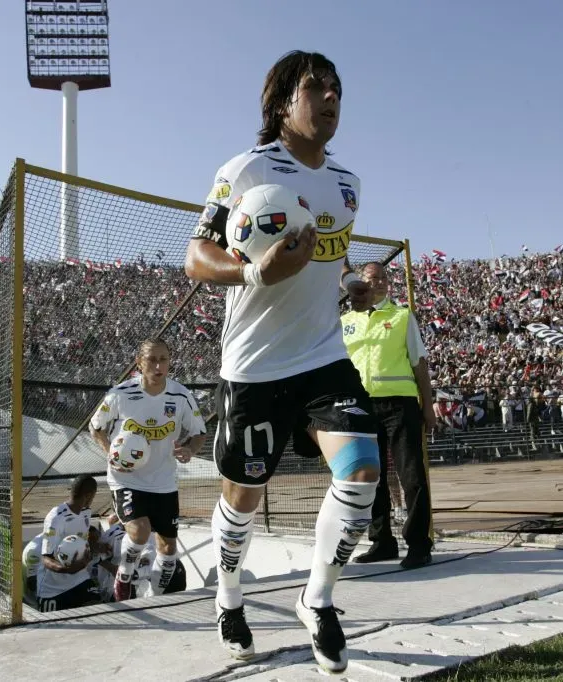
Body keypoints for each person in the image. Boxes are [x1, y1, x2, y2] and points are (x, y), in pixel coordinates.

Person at [184, 50, 383, 674]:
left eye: (337, 89)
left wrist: (357, 284)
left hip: (325, 355)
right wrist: (252, 270)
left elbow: (329, 268)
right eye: (316, 87)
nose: (330, 98)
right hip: (255, 365)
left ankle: (316, 598)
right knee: (243, 496)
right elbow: (195, 257)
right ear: (281, 104)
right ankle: (228, 592)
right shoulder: (244, 170)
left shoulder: (348, 185)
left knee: (362, 476)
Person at [89, 338, 207, 602]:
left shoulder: (181, 396)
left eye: (163, 359)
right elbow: (95, 426)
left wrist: (189, 449)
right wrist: (110, 450)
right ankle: (124, 575)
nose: (158, 365)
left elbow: (199, 432)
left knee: (167, 550)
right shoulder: (120, 394)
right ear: (139, 363)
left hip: (164, 482)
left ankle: (154, 596)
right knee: (140, 530)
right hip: (126, 478)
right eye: (151, 359)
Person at [342, 262, 437, 569]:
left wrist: (427, 405)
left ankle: (420, 544)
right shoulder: (345, 321)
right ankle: (382, 542)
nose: (380, 282)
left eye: (384, 277)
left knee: (411, 477)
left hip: (400, 405)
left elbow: (419, 363)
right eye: (373, 278)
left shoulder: (401, 316)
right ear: (360, 284)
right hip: (361, 407)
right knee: (372, 479)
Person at [36, 474, 101, 612]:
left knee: (97, 608)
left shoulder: (85, 512)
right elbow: (46, 559)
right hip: (53, 590)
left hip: (80, 579)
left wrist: (95, 541)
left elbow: (80, 532)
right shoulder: (56, 518)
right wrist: (70, 569)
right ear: (88, 496)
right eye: (93, 496)